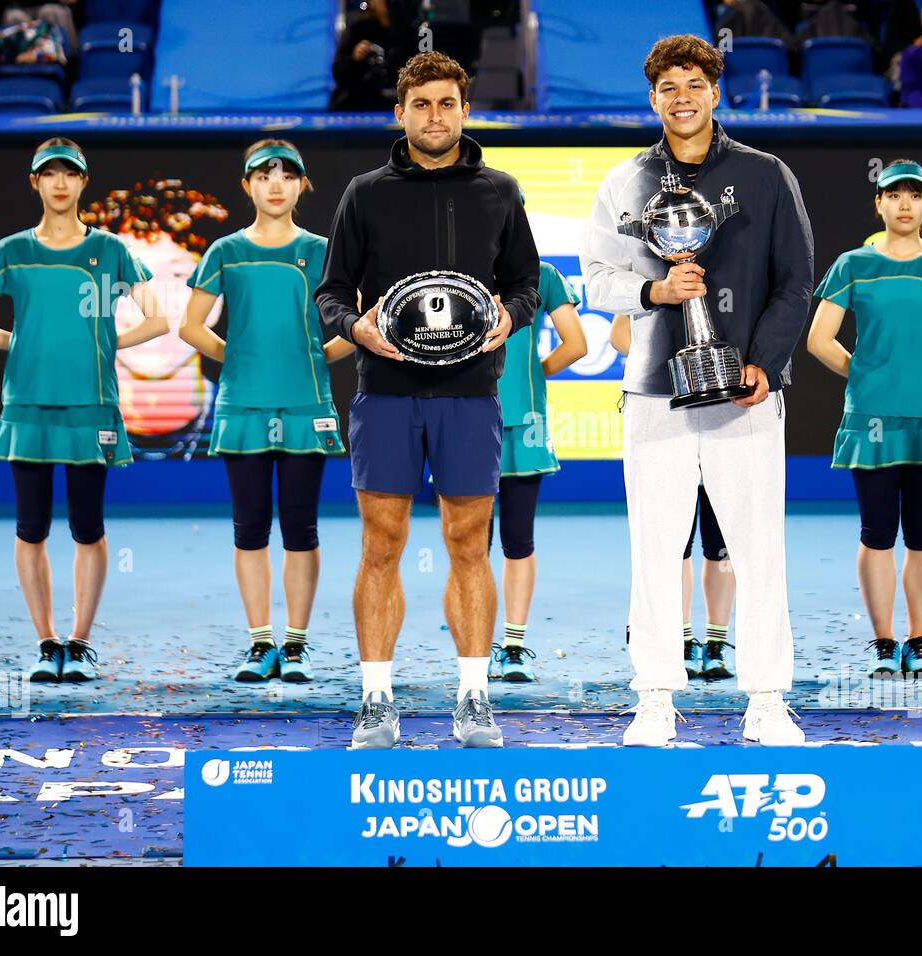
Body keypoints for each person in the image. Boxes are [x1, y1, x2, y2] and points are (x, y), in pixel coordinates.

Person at [581, 34, 814, 747]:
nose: (681, 98)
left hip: (744, 396)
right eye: (668, 88)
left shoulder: (767, 174)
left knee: (758, 549)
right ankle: (655, 697)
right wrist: (655, 288)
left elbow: (795, 281)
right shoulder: (624, 183)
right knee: (655, 550)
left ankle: (767, 699)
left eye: (695, 84)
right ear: (652, 99)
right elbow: (597, 279)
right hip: (655, 395)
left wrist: (765, 364)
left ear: (717, 92)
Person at [315, 51, 540, 748]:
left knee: (469, 543)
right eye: (421, 104)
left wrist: (511, 316)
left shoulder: (500, 191)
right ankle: (376, 700)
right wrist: (355, 328)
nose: (434, 116)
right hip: (385, 391)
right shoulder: (365, 192)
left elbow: (527, 285)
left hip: (470, 393)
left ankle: (474, 698)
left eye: (447, 103)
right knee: (381, 544)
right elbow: (328, 293)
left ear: (465, 110)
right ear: (400, 113)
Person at [0, 138, 166, 682]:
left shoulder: (111, 250)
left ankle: (80, 642)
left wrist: (105, 341)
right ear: (35, 183)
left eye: (69, 173)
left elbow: (157, 318)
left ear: (82, 182)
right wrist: (17, 342)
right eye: (49, 174)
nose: (59, 182)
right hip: (27, 408)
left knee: (88, 529)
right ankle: (47, 642)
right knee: (31, 529)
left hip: (91, 409)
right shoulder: (11, 251)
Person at [807, 160, 922, 679]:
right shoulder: (852, 264)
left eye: (915, 195)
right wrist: (864, 377)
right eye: (895, 195)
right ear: (879, 204)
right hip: (871, 421)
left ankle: (919, 641)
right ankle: (884, 641)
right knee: (876, 534)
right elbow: (819, 340)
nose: (905, 203)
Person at [181, 140, 351, 685]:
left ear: (303, 186)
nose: (275, 185)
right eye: (263, 175)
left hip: (307, 406)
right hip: (243, 407)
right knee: (249, 528)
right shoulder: (225, 251)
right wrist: (241, 360)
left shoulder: (326, 250)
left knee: (301, 528)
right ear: (247, 186)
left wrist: (319, 360)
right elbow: (190, 326)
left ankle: (296, 644)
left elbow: (363, 320)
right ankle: (260, 643)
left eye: (287, 175)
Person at [610, 312, 737, 681]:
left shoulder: (733, 284)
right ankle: (681, 638)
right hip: (667, 416)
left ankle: (716, 641)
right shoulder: (661, 279)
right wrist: (671, 361)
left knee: (722, 545)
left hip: (724, 418)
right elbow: (620, 332)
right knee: (675, 544)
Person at [487, 248, 587, 683]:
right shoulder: (456, 274)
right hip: (467, 419)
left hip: (524, 426)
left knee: (517, 541)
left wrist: (533, 374)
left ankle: (511, 645)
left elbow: (577, 344)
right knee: (469, 548)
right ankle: (476, 648)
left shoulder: (542, 274)